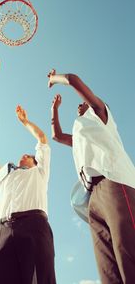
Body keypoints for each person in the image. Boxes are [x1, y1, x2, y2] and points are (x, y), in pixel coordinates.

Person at [48, 69, 135, 284]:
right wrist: (54, 110)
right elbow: (57, 136)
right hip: (93, 199)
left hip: (113, 182)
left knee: (128, 255)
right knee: (108, 271)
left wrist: (55, 78)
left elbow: (73, 80)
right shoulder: (81, 133)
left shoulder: (100, 115)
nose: (80, 105)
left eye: (84, 103)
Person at [0, 106, 56, 284]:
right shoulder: (5, 175)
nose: (24, 156)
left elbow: (43, 140)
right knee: (0, 278)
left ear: (35, 162)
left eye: (29, 156)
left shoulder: (40, 172)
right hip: (2, 229)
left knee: (39, 278)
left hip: (34, 225)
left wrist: (25, 122)